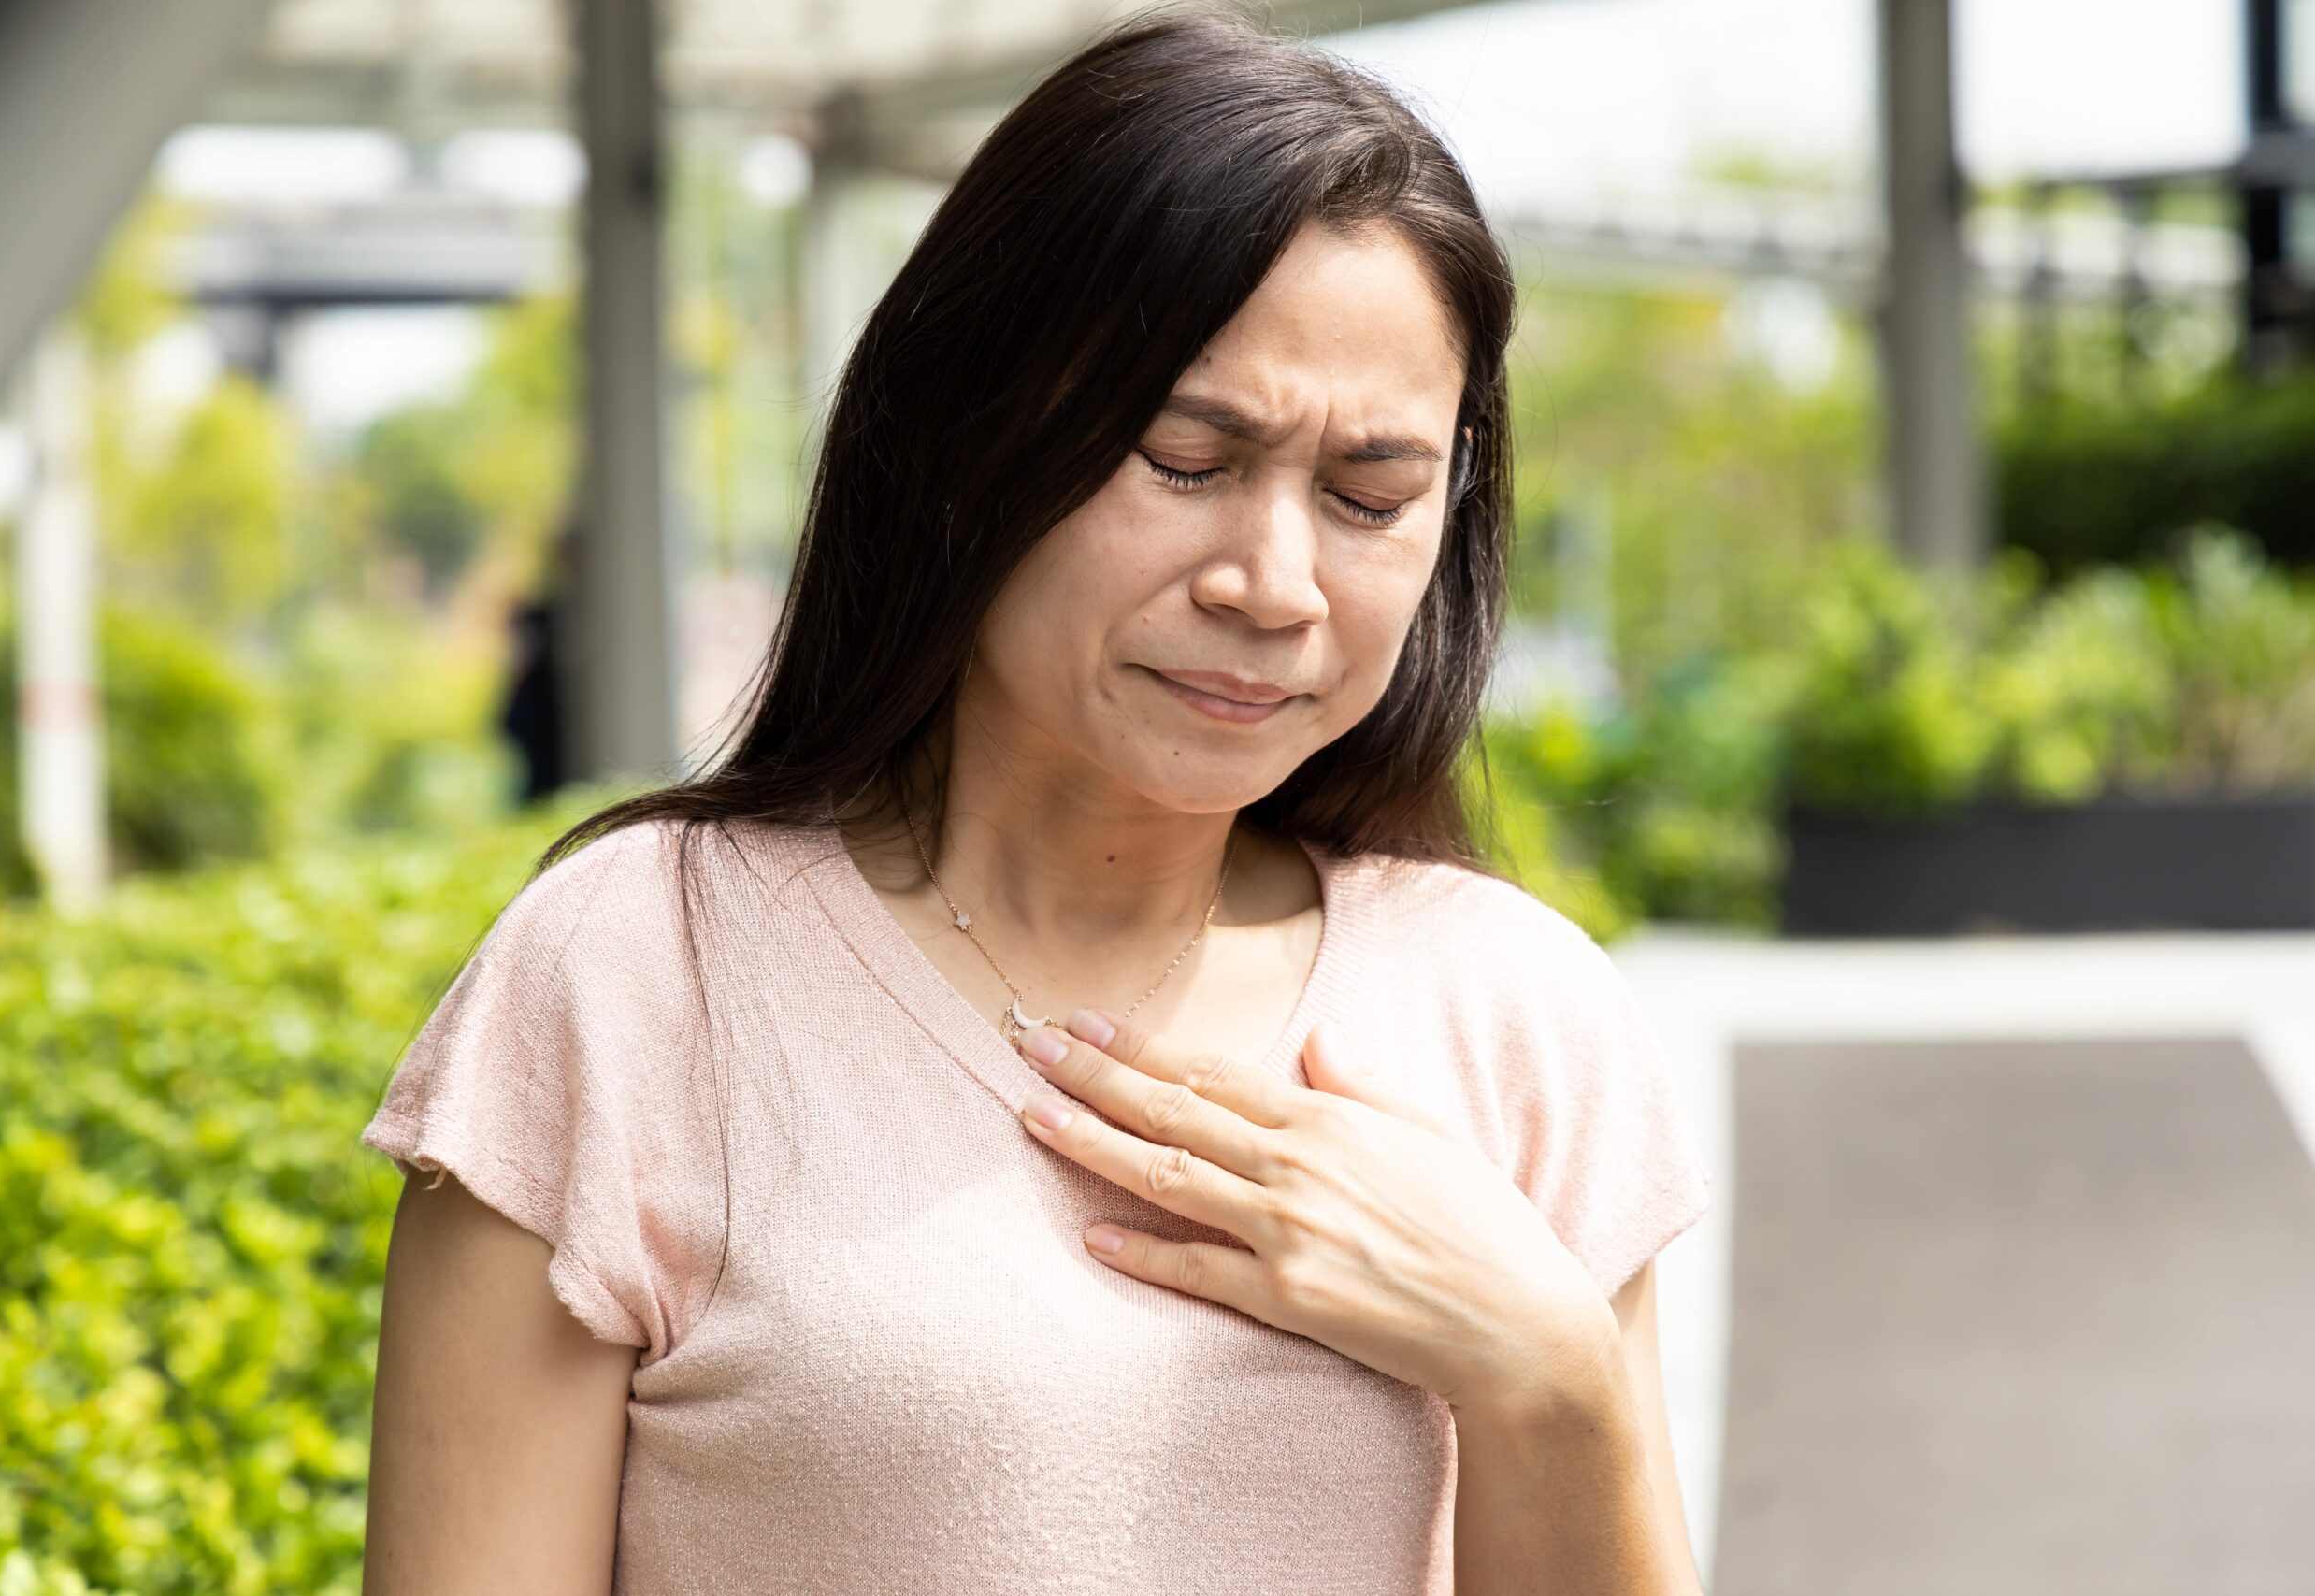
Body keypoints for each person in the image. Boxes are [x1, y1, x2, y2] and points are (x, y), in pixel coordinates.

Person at [358, 7, 1715, 1592]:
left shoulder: (1518, 1014)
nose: (1274, 586)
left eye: (1371, 497)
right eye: (1184, 460)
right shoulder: (635, 978)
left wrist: (1547, 1381)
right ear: (960, 434)